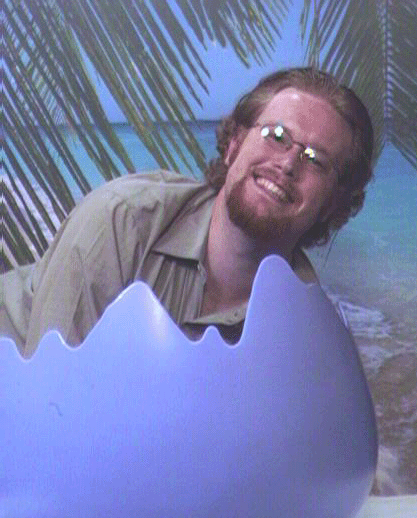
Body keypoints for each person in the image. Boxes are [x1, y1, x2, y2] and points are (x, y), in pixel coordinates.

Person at [1, 67, 374, 356]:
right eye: (276, 136)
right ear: (234, 145)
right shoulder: (123, 219)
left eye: (316, 160)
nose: (289, 164)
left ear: (333, 205)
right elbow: (51, 397)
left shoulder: (305, 327)